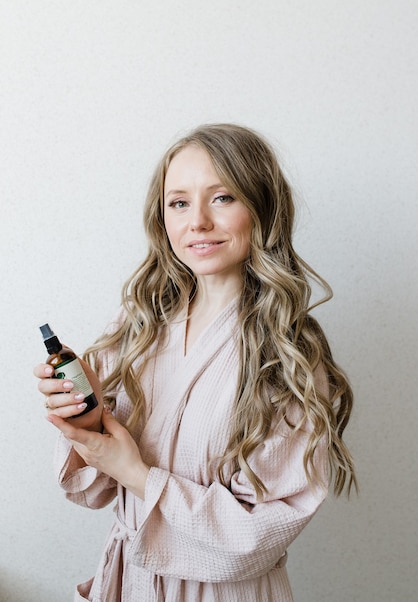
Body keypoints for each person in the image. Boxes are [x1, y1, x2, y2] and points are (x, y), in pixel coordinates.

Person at [34, 123, 357, 602]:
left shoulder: (290, 358)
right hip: (132, 584)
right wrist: (89, 422)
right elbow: (91, 492)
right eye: (179, 202)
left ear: (262, 208)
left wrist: (138, 475)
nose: (197, 222)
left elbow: (256, 538)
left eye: (222, 197)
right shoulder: (139, 325)